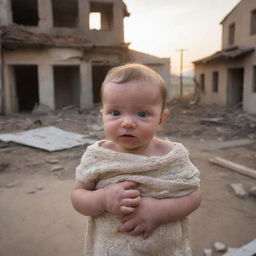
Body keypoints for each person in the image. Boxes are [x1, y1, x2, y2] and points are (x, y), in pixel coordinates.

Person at [71, 63, 201, 256]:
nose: (127, 122)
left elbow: (194, 195)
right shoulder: (97, 156)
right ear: (103, 115)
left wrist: (159, 211)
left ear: (161, 119)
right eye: (115, 113)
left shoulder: (172, 156)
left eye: (142, 114)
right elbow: (78, 195)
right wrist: (103, 199)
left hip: (165, 250)